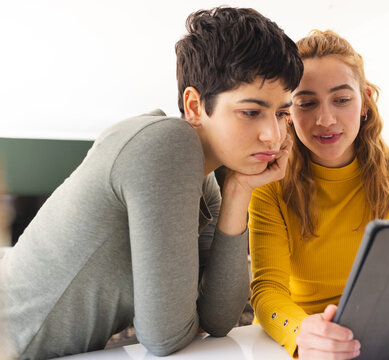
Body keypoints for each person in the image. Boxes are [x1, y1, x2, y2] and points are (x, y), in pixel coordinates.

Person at [0, 7, 302, 359]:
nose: (274, 135)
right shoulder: (166, 144)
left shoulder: (205, 181)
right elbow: (166, 337)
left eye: (282, 113)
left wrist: (240, 191)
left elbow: (219, 319)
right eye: (251, 112)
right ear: (194, 105)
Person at [248, 30, 389, 360]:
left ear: (365, 101)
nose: (325, 119)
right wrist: (302, 333)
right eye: (307, 103)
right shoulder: (269, 184)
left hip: (379, 338)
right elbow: (267, 292)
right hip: (305, 339)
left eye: (341, 99)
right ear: (288, 112)